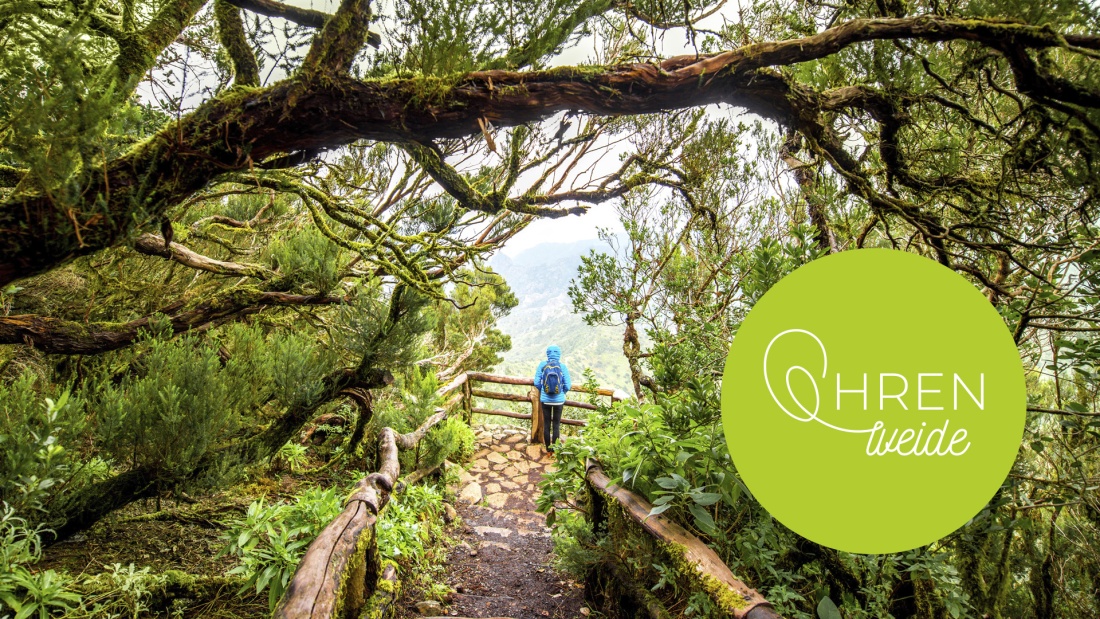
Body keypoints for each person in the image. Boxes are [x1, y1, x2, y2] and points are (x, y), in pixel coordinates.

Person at [533, 345, 571, 452]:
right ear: (559, 354)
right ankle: (555, 451)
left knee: (546, 424)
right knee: (556, 425)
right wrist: (562, 392)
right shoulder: (562, 367)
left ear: (548, 354)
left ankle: (548, 450)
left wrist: (544, 390)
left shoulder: (542, 365)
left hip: (545, 400)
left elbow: (536, 382)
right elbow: (568, 385)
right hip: (559, 401)